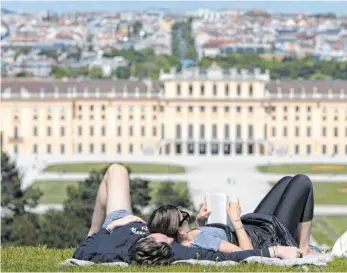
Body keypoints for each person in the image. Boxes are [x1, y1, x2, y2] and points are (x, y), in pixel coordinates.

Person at [73, 164, 303, 265]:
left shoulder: (103, 251)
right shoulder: (173, 249)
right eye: (168, 238)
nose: (166, 235)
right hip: (122, 225)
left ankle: (93, 227)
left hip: (117, 223)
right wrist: (275, 251)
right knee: (298, 184)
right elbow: (226, 258)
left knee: (116, 171)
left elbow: (81, 251)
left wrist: (107, 228)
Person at [147, 174, 318, 256]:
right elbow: (248, 253)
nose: (187, 217)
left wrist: (201, 223)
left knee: (287, 181)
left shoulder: (191, 239)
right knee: (302, 182)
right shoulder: (199, 240)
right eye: (183, 216)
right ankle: (304, 248)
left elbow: (209, 239)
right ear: (179, 231)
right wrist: (235, 218)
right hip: (268, 236)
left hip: (255, 228)